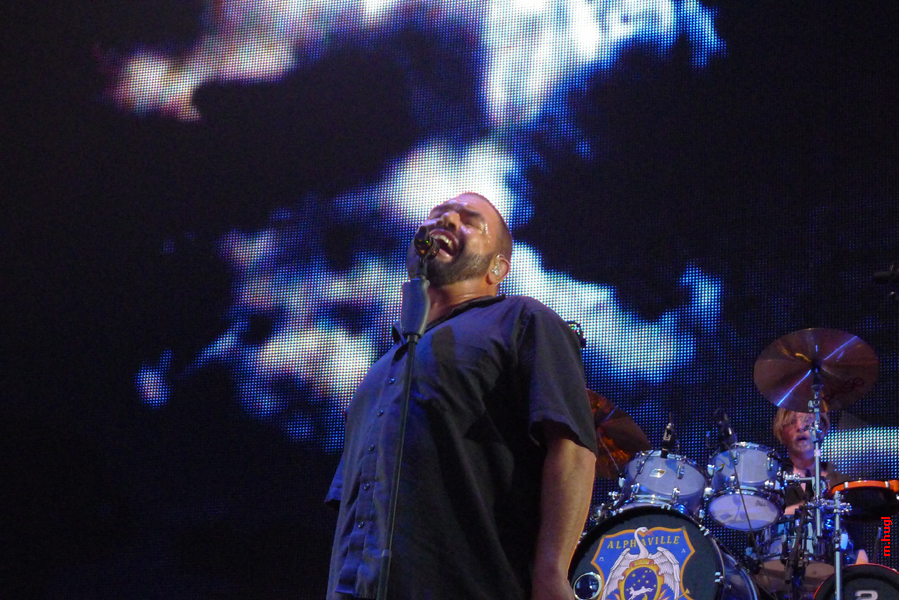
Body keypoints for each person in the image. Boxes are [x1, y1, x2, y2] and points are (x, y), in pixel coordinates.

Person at [325, 192, 598, 600]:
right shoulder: (381, 368)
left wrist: (551, 572)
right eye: (438, 214)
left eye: (469, 220)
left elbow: (572, 447)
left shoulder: (521, 320)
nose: (447, 220)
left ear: (497, 268)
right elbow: (353, 500)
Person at [772, 408, 868, 564]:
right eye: (792, 422)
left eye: (807, 422)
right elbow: (761, 522)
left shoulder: (840, 482)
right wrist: (809, 508)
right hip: (780, 570)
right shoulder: (773, 480)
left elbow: (858, 548)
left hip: (834, 574)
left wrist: (861, 575)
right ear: (781, 432)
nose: (800, 427)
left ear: (822, 429)